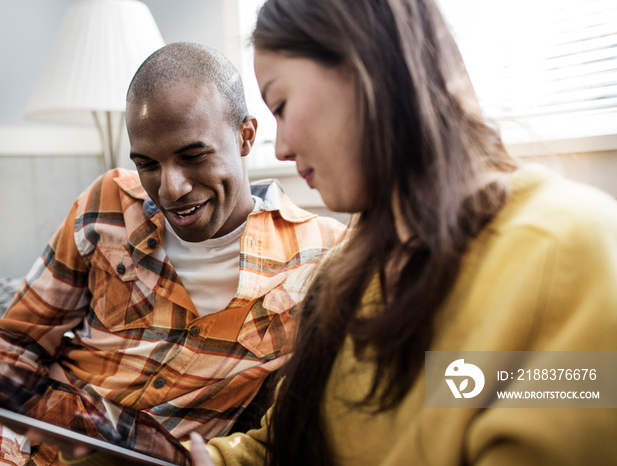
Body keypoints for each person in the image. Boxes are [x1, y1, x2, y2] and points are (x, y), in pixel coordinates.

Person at [185, 0, 617, 464]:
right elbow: (285, 436)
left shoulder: (568, 249)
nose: (284, 147)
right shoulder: (344, 272)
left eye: (283, 106)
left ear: (368, 66)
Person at [0, 42, 345, 465]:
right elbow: (13, 346)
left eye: (193, 156)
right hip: (6, 440)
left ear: (245, 136)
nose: (171, 189)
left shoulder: (321, 255)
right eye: (147, 164)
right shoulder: (108, 203)